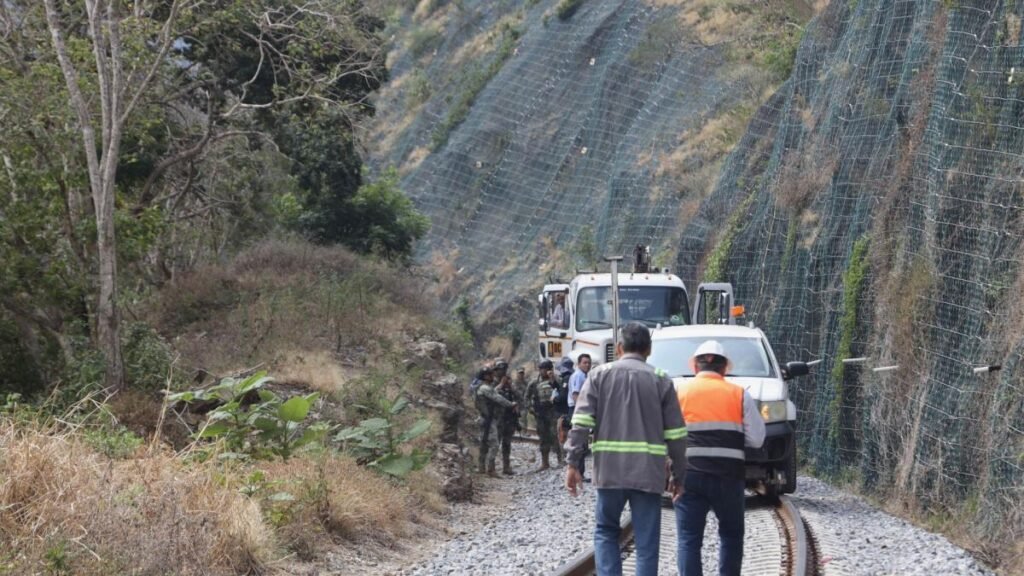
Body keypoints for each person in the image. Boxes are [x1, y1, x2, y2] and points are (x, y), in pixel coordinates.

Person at [565, 322, 689, 576]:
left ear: (619, 348)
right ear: (649, 349)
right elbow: (676, 436)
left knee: (606, 532)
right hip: (648, 474)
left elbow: (580, 423)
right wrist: (678, 476)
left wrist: (572, 463)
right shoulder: (661, 380)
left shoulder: (598, 376)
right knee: (646, 542)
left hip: (609, 473)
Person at [674, 340, 766, 576]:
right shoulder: (738, 394)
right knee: (731, 535)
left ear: (695, 367)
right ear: (725, 369)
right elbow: (756, 439)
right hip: (729, 476)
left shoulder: (680, 392)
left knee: (688, 539)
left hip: (689, 476)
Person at [474, 362, 517, 477]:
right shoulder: (485, 388)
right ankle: (490, 469)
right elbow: (498, 398)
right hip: (488, 419)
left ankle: (481, 468)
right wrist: (511, 404)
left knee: (484, 443)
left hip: (486, 418)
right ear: (486, 376)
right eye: (490, 374)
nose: (493, 375)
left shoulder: (485, 387)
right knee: (494, 444)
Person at [525, 359, 563, 470]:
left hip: (553, 412)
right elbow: (526, 396)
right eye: (541, 369)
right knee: (543, 437)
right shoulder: (534, 382)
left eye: (545, 369)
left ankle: (560, 460)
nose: (543, 371)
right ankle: (545, 462)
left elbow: (562, 391)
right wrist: (530, 408)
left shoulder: (557, 380)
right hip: (540, 414)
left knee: (555, 436)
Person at [494, 359, 522, 475]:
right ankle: (491, 467)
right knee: (495, 443)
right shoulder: (492, 382)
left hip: (509, 418)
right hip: (497, 418)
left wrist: (510, 387)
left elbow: (519, 396)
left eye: (504, 369)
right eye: (500, 369)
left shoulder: (509, 383)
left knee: (507, 443)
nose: (502, 371)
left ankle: (506, 467)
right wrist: (500, 384)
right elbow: (491, 394)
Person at [567, 353, 592, 479]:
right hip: (577, 409)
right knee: (580, 443)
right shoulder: (579, 376)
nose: (587, 365)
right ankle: (578, 473)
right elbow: (575, 394)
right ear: (579, 364)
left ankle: (580, 472)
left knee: (582, 444)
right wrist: (580, 410)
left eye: (589, 363)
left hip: (578, 409)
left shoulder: (584, 375)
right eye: (585, 362)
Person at [514, 367, 530, 432]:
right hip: (516, 403)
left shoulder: (526, 383)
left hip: (523, 404)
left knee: (524, 418)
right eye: (519, 373)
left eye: (522, 373)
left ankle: (524, 432)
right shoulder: (514, 383)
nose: (521, 375)